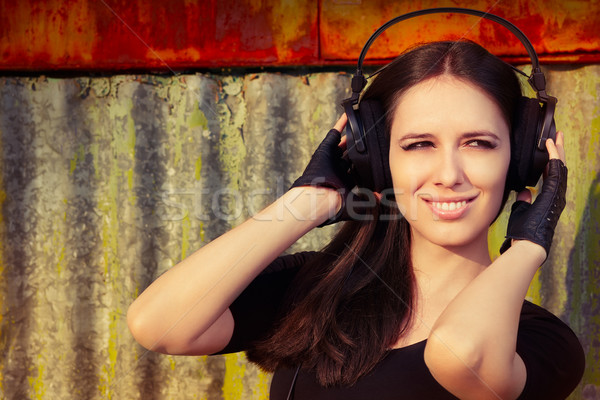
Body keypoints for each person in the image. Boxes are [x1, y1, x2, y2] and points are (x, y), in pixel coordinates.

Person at [127, 40, 585, 399]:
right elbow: (159, 325)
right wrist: (308, 201)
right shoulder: (316, 289)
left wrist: (527, 246)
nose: (449, 175)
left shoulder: (542, 344)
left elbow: (460, 354)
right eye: (419, 144)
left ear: (522, 157)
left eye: (479, 143)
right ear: (377, 161)